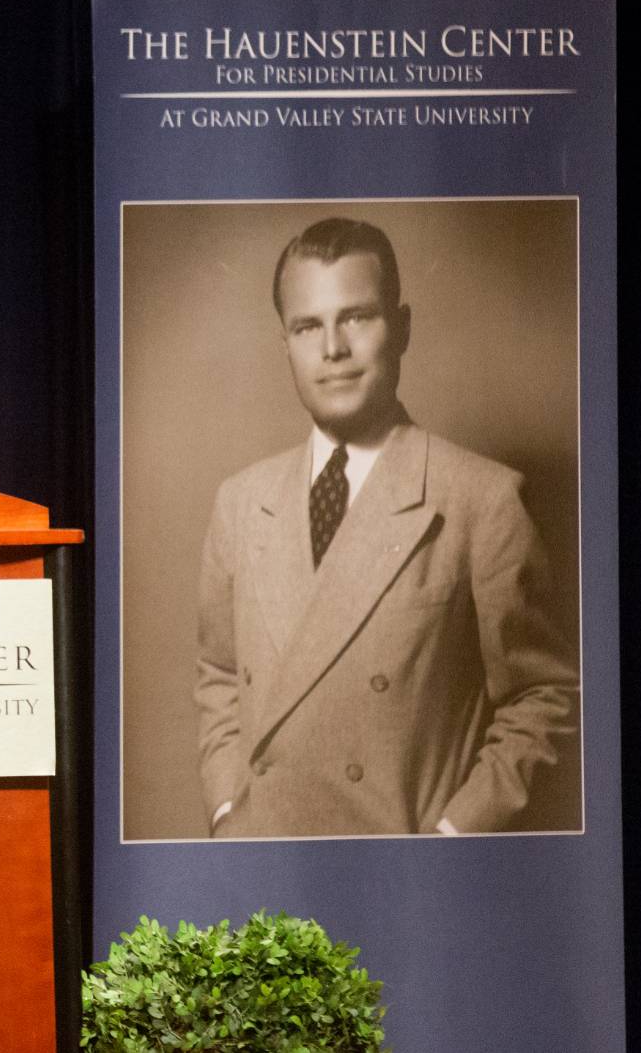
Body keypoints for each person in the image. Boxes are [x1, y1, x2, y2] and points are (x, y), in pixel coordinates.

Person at [194, 217, 577, 837]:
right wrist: (226, 812)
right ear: (285, 344)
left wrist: (453, 837)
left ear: (401, 329)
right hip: (263, 873)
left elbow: (546, 699)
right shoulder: (239, 503)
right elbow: (217, 677)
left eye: (357, 317)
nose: (333, 349)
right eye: (308, 326)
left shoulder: (484, 499)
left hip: (406, 881)